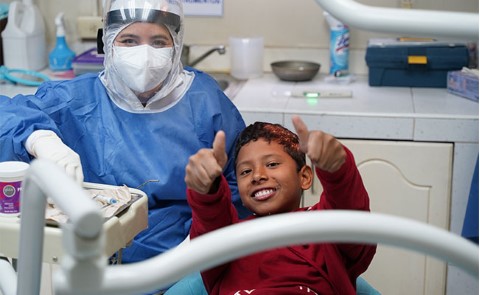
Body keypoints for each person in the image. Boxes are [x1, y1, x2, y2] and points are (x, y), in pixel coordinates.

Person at [0, 0, 248, 291]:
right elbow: (9, 115)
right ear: (108, 43)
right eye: (129, 40)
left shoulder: (206, 103)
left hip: (186, 262)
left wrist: (196, 246)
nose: (144, 54)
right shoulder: (77, 99)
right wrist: (40, 139)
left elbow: (239, 192)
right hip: (92, 257)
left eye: (158, 41)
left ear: (176, 45)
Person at [184, 116, 377, 294]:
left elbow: (349, 212)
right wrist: (206, 189)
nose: (257, 175)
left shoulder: (323, 227)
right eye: (245, 171)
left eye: (272, 164)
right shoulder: (230, 241)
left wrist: (337, 170)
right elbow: (210, 221)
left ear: (304, 177)